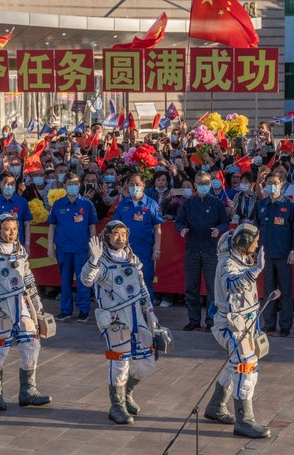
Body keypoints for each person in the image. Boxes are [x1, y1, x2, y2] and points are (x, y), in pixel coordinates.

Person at [0, 214, 51, 411]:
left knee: (32, 343)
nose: (11, 233)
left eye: (14, 229)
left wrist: (36, 302)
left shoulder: (20, 250)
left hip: (19, 302)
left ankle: (28, 391)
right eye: (7, 229)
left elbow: (27, 275)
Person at [81, 221, 158, 425]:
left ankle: (127, 393)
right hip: (116, 318)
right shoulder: (102, 261)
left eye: (123, 234)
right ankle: (116, 406)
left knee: (146, 361)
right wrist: (94, 261)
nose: (120, 238)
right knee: (120, 362)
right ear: (107, 237)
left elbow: (142, 287)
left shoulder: (132, 258)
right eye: (115, 234)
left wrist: (150, 312)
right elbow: (86, 280)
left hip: (137, 316)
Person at [205, 223, 270, 438]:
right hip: (231, 325)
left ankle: (216, 406)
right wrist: (255, 272)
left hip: (245, 324)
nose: (257, 245)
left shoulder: (240, 259)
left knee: (234, 365)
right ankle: (245, 420)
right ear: (244, 242)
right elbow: (231, 285)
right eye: (255, 241)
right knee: (246, 368)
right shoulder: (227, 264)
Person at [175, 171, 230, 331]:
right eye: (200, 183)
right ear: (195, 185)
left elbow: (225, 222)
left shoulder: (217, 203)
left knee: (213, 288)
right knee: (191, 286)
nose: (204, 186)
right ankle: (193, 320)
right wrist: (182, 229)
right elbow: (179, 221)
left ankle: (211, 320)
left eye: (207, 183)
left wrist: (218, 230)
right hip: (192, 249)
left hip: (211, 250)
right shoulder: (188, 203)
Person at [47, 175, 98, 321]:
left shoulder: (87, 204)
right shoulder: (58, 204)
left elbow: (92, 226)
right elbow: (52, 226)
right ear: (64, 186)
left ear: (80, 184)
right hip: (63, 248)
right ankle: (66, 310)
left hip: (82, 248)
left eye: (76, 183)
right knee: (65, 280)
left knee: (83, 280)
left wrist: (93, 247)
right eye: (70, 183)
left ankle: (83, 310)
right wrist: (50, 246)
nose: (73, 186)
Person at [256, 172, 294, 337]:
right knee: (268, 291)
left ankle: (285, 325)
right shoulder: (262, 204)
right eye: (269, 182)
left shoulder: (289, 205)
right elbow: (256, 228)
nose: (272, 185)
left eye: (275, 182)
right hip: (266, 255)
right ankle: (269, 324)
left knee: (285, 292)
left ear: (281, 184)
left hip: (283, 255)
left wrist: (293, 251)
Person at [112, 173, 163, 304]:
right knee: (123, 283)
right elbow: (114, 227)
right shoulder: (123, 204)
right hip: (124, 252)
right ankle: (127, 314)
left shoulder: (151, 204)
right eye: (132, 185)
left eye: (138, 185)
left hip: (145, 251)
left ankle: (148, 315)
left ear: (143, 186)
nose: (135, 187)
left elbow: (157, 228)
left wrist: (157, 249)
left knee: (145, 283)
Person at [0, 173, 33, 253]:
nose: (9, 185)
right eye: (6, 183)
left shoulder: (22, 201)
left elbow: (27, 224)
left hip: (17, 245)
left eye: (12, 183)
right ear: (0, 185)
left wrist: (27, 244)